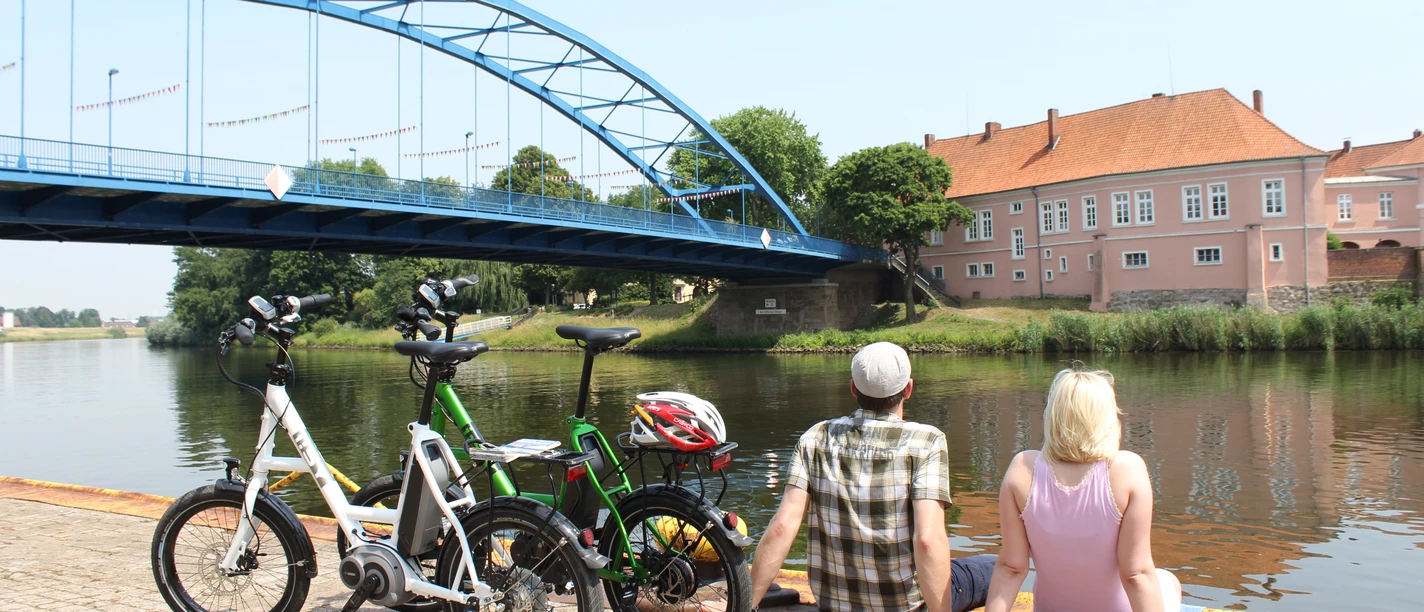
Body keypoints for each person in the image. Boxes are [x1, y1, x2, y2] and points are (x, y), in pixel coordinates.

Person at [748, 342, 994, 612]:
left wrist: (743, 603)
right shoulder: (926, 442)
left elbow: (782, 526)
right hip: (906, 606)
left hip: (834, 605)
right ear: (908, 389)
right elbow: (928, 540)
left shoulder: (815, 437)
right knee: (994, 568)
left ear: (853, 388)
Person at [984, 369, 1183, 612]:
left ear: (1053, 415)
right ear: (1107, 417)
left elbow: (1011, 568)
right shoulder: (1127, 469)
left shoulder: (1022, 468)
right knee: (1168, 581)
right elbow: (1136, 573)